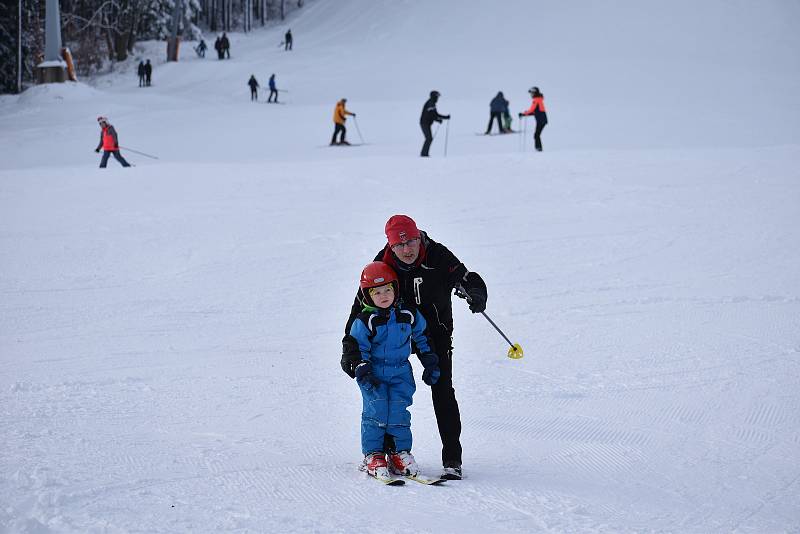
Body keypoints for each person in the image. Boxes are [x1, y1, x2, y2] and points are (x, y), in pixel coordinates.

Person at [341, 215, 488, 480]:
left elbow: (465, 277)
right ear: (390, 246)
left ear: (419, 237)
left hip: (436, 333)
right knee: (384, 391)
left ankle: (452, 460)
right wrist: (350, 352)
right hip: (392, 337)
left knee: (442, 388)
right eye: (399, 246)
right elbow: (360, 309)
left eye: (411, 242)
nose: (407, 250)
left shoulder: (438, 255)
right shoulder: (382, 263)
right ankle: (385, 452)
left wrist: (476, 292)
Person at [349, 261, 441, 480]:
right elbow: (356, 346)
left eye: (388, 290)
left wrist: (430, 360)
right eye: (377, 292)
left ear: (395, 289)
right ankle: (373, 454)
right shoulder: (365, 320)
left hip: (401, 372)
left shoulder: (407, 314)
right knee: (376, 413)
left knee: (400, 413)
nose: (383, 296)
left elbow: (422, 335)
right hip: (374, 375)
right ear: (367, 296)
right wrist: (362, 367)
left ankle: (399, 453)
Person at [419, 90, 450, 157]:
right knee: (429, 138)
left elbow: (435, 114)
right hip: (424, 123)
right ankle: (424, 154)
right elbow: (431, 115)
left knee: (429, 138)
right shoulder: (430, 103)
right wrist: (438, 119)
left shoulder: (432, 103)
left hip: (426, 123)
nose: (438, 99)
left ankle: (424, 153)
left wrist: (444, 117)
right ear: (434, 97)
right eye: (437, 97)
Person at [519, 86, 548, 151]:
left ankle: (538, 149)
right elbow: (535, 112)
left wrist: (523, 114)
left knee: (536, 135)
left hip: (541, 120)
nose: (531, 95)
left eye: (532, 93)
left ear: (535, 93)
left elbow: (532, 110)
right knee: (536, 135)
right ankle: (538, 149)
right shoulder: (539, 99)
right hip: (542, 119)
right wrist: (524, 115)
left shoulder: (536, 100)